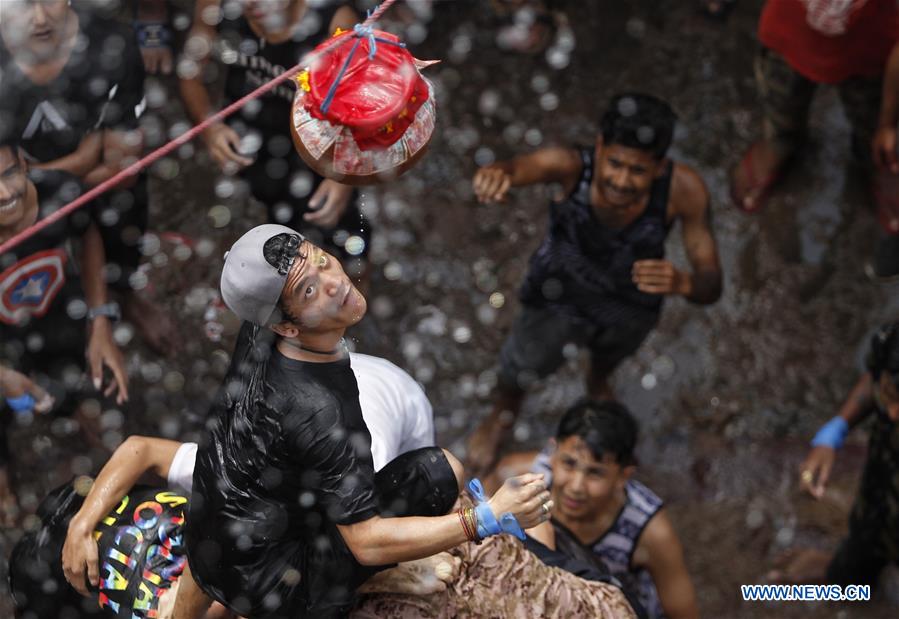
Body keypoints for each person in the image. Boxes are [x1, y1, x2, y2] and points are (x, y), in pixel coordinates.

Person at [167, 224, 551, 619]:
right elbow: (366, 542)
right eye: (309, 290)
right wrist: (486, 517)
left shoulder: (258, 327)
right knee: (440, 472)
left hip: (207, 547)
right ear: (287, 326)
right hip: (283, 593)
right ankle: (347, 591)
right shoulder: (320, 411)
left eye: (321, 261)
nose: (335, 283)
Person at [467, 92, 722, 475]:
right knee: (523, 363)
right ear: (599, 147)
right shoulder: (570, 167)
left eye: (637, 171)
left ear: (659, 167)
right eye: (614, 163)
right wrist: (496, 175)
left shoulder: (684, 191)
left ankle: (598, 378)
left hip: (628, 303)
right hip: (559, 292)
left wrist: (684, 281)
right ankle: (503, 412)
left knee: (610, 355)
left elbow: (712, 283)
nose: (621, 181)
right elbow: (518, 168)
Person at [0, 0, 177, 354]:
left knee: (124, 208)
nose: (39, 18)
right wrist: (81, 160)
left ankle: (125, 294)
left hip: (50, 182)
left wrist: (39, 179)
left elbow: (119, 169)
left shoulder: (112, 46)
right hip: (21, 186)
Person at [179, 0, 370, 281]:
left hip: (319, 146)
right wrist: (210, 126)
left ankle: (356, 300)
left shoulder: (332, 19)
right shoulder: (216, 4)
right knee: (278, 236)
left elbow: (364, 104)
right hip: (252, 138)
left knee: (346, 237)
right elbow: (189, 71)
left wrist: (343, 176)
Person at [0, 139, 128, 526]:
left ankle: (73, 411)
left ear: (25, 163)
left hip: (55, 311)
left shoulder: (61, 193)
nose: (3, 195)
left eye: (7, 174)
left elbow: (87, 233)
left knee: (76, 369)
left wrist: (100, 318)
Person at [729, 0, 899, 278]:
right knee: (781, 102)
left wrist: (888, 123)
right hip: (787, 34)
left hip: (874, 47)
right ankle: (781, 138)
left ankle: (874, 153)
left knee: (873, 117)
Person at [487, 399, 699, 619]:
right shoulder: (518, 479)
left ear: (622, 477)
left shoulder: (648, 531)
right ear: (552, 452)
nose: (576, 487)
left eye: (595, 473)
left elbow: (683, 612)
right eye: (569, 463)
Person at [769, 321, 899, 589]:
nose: (893, 413)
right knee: (865, 541)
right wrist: (835, 432)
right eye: (891, 395)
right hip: (882, 493)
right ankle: (847, 576)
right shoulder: (894, 341)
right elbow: (877, 376)